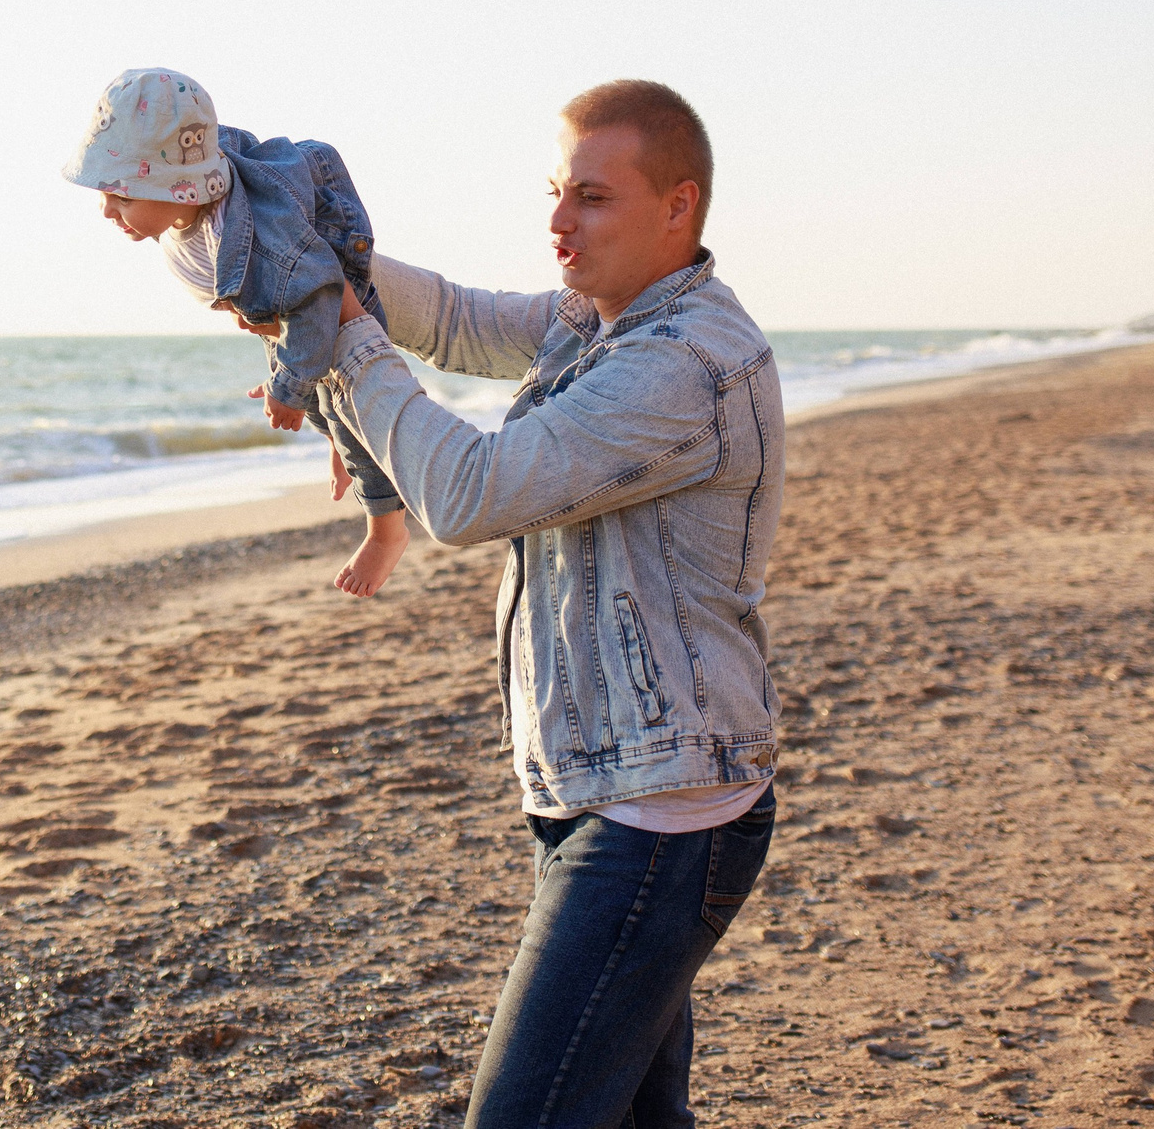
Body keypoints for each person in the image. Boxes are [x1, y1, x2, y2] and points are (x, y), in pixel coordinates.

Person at [320, 79, 783, 1129]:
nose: (557, 222)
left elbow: (471, 494)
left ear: (678, 207)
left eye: (591, 197)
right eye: (554, 192)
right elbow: (448, 318)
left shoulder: (685, 363)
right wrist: (299, 255)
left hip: (659, 814)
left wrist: (347, 346)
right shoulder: (598, 322)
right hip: (604, 790)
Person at [63, 67, 412, 596]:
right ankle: (340, 443)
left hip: (320, 270)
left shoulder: (275, 247)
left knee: (342, 399)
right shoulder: (187, 202)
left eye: (124, 196)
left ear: (178, 192)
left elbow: (317, 297)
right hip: (274, 295)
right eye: (106, 193)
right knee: (316, 400)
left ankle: (386, 530)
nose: (108, 210)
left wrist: (288, 387)